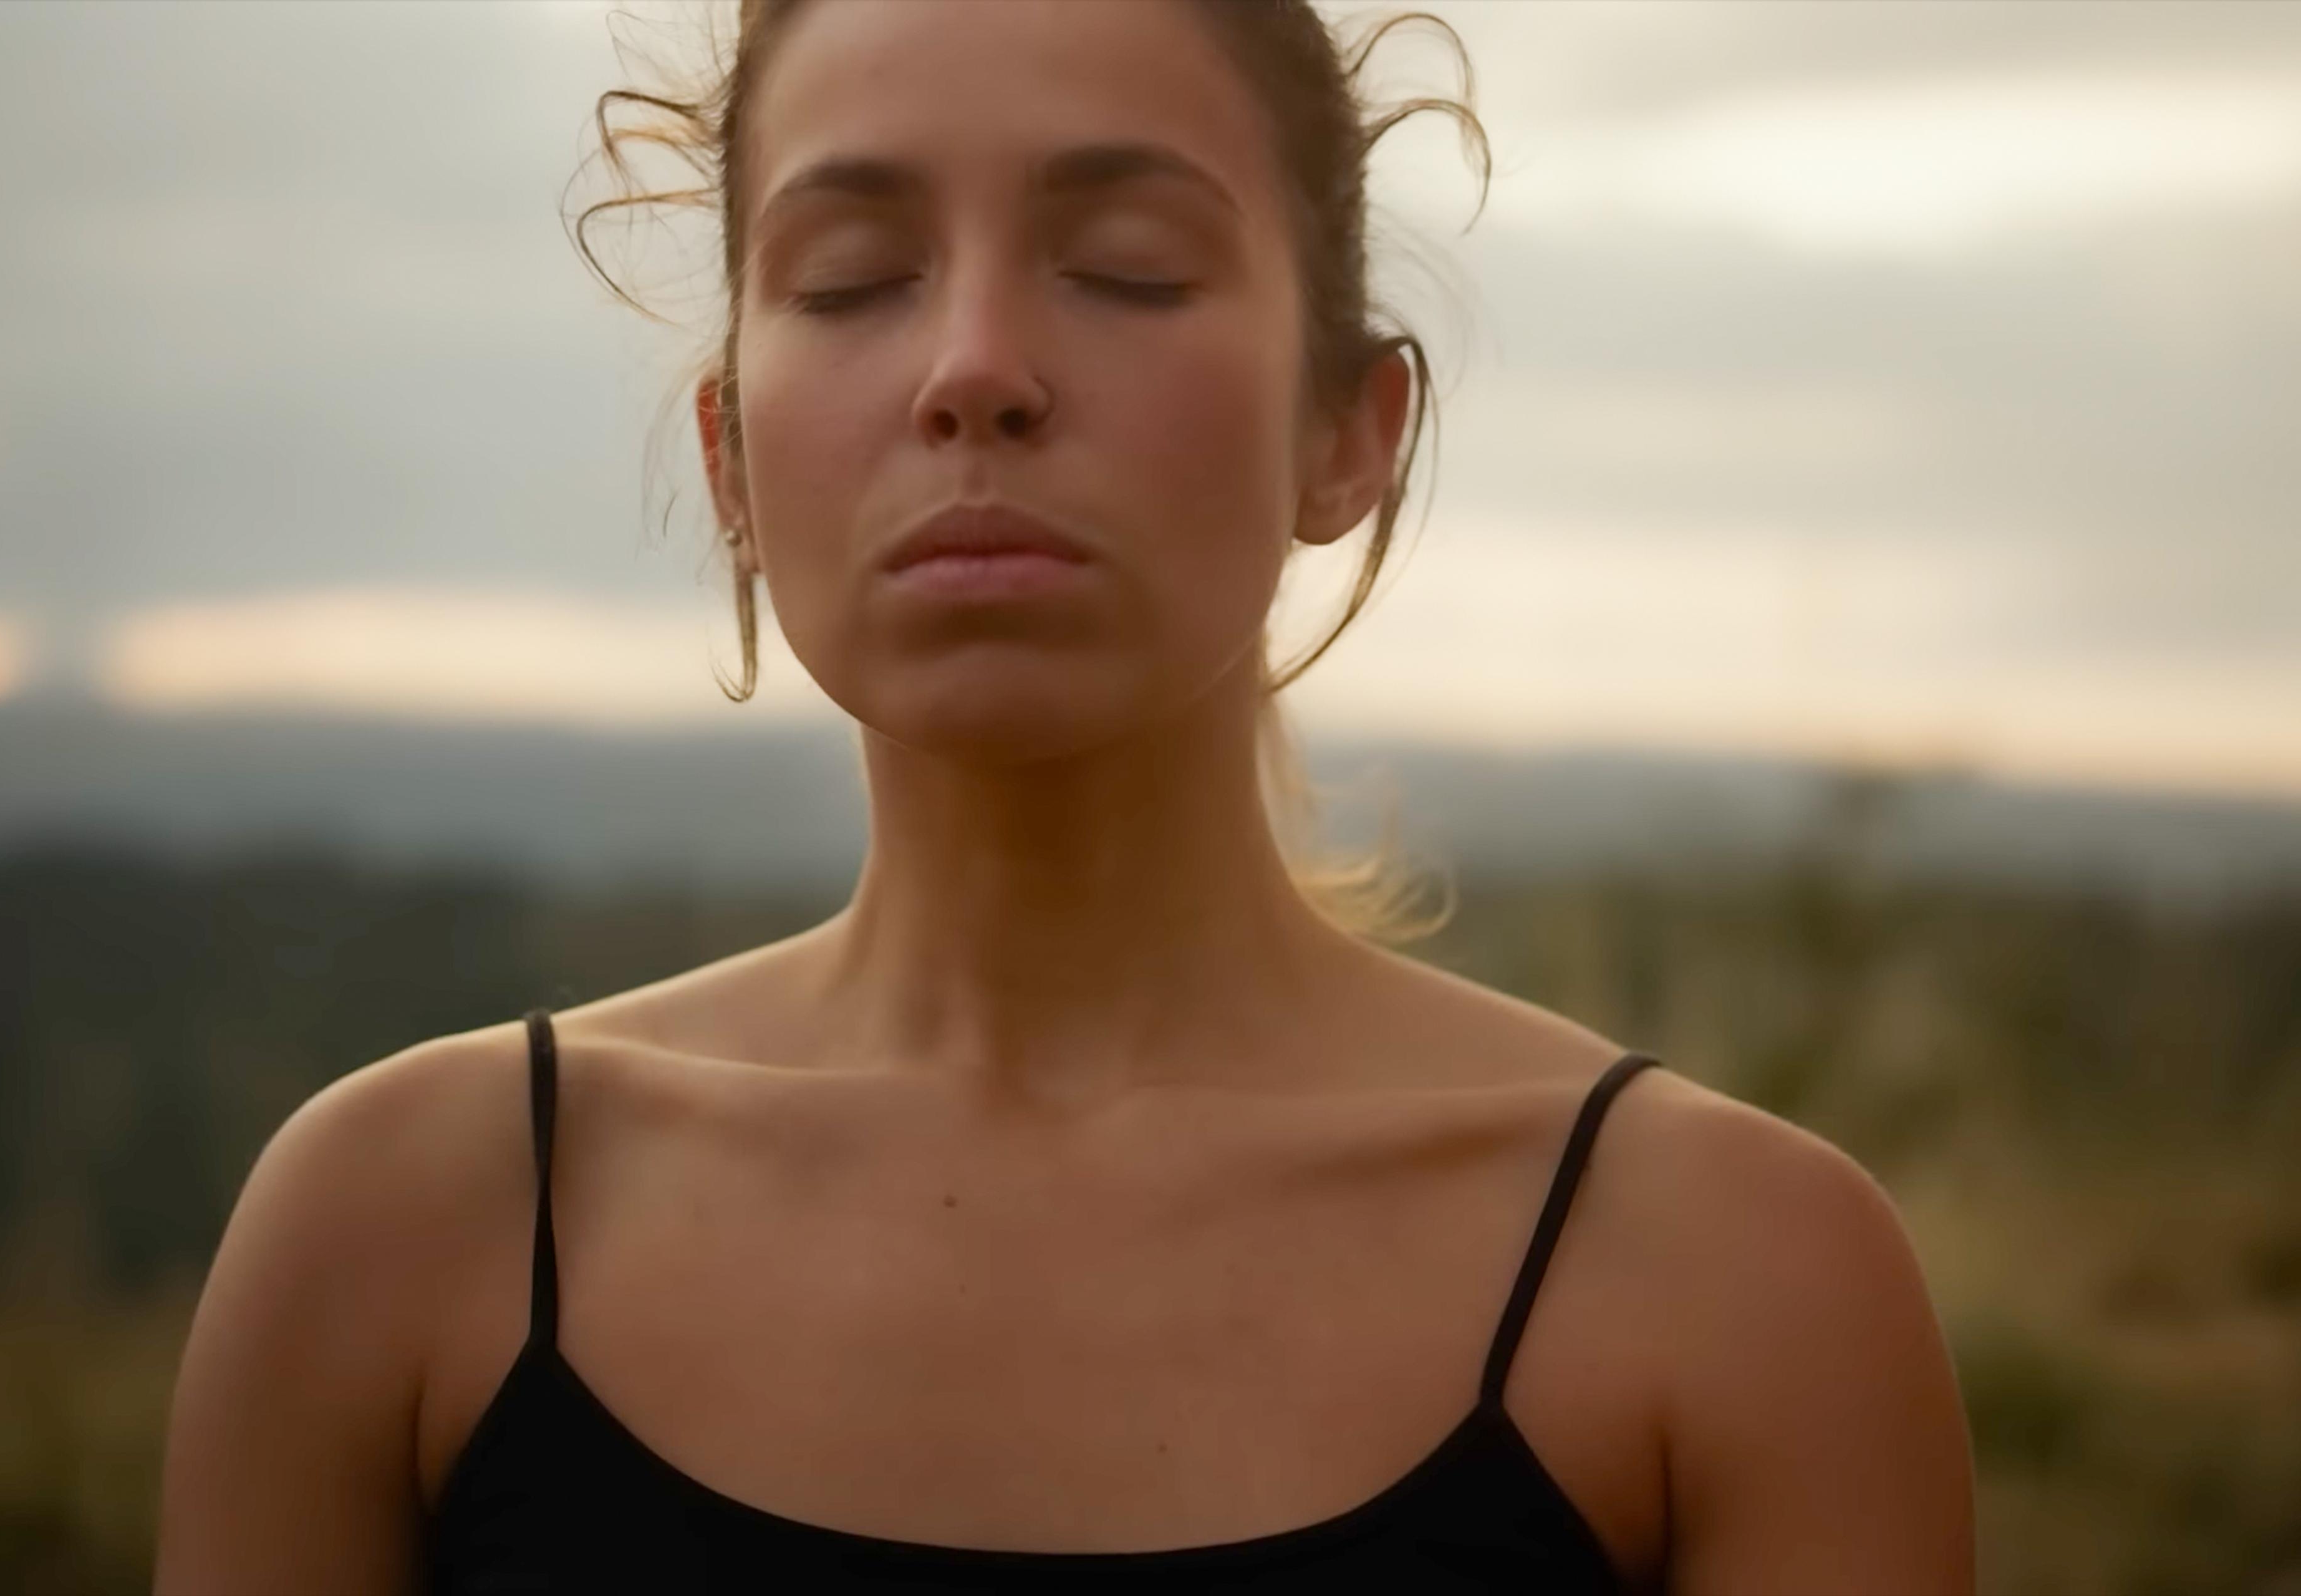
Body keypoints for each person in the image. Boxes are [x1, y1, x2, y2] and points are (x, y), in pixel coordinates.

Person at [153, 1, 1977, 1590]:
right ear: (729, 455)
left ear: (1349, 430)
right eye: (854, 279)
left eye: (1125, 266)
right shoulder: (404, 1233)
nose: (974, 375)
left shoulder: (1732, 1288)